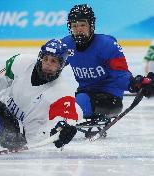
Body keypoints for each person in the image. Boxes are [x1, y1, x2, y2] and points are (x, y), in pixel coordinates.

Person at [60, 4, 154, 136]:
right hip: (84, 95)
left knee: (78, 103)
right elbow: (51, 67)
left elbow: (120, 74)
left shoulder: (107, 45)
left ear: (91, 25)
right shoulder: (66, 45)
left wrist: (136, 83)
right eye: (74, 26)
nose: (78, 29)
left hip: (110, 99)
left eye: (82, 25)